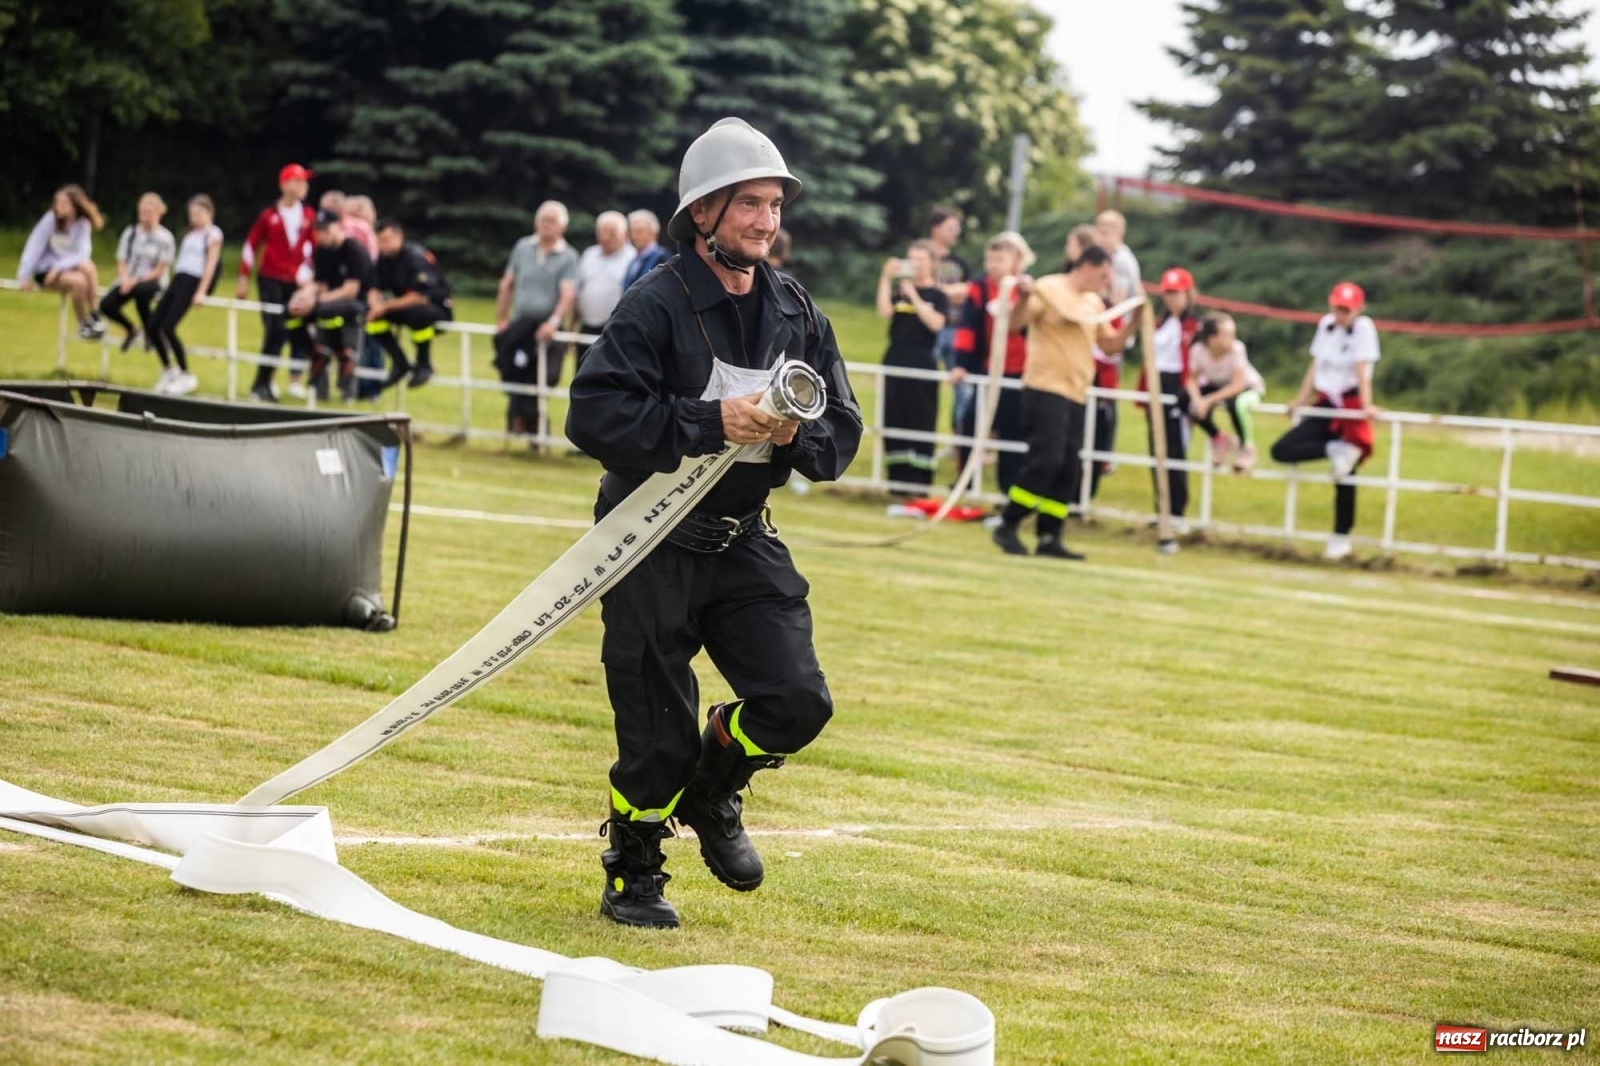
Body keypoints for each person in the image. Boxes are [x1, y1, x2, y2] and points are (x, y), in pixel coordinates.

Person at [566, 116, 862, 929]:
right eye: (748, 206)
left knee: (798, 701)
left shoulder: (797, 312)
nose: (767, 222)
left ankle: (711, 789)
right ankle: (634, 867)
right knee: (656, 731)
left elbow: (842, 437)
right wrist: (709, 423)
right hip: (648, 541)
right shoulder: (655, 303)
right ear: (703, 214)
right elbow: (591, 416)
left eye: (774, 205)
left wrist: (796, 430)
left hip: (743, 544)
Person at [993, 227, 1133, 559]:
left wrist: (1131, 324)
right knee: (1046, 460)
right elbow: (1014, 325)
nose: (1105, 281)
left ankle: (1049, 535)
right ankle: (1008, 523)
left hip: (1077, 393)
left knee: (1070, 468)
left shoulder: (1093, 302)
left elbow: (1109, 344)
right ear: (1086, 267)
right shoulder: (1049, 288)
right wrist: (1025, 297)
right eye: (1103, 274)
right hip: (1045, 389)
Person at [1271, 281, 1381, 560]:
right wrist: (1299, 401)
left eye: (1346, 310)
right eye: (1337, 308)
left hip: (1350, 403)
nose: (1341, 314)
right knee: (1282, 449)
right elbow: (1316, 365)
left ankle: (1341, 537)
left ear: (1357, 309)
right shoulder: (1326, 325)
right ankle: (1334, 449)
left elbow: (1361, 368)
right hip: (1326, 402)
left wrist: (1366, 405)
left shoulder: (1364, 328)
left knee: (1346, 476)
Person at [950, 231, 1034, 497]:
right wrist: (962, 363)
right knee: (972, 422)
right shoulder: (980, 287)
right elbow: (968, 325)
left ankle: (1009, 488)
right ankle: (964, 479)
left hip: (1020, 369)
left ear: (1016, 260)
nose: (993, 265)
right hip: (989, 367)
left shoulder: (1026, 289)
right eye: (990, 259)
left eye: (1000, 259)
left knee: (1013, 431)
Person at [493, 201, 579, 437]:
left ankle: (536, 430)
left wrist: (553, 321)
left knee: (545, 378)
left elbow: (568, 294)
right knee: (513, 371)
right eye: (543, 219)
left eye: (552, 221)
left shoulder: (568, 256)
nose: (546, 225)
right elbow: (507, 283)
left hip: (547, 328)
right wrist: (501, 317)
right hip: (520, 325)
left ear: (563, 226)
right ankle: (520, 427)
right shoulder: (523, 247)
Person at [238, 163, 316, 402]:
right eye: (297, 181)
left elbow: (311, 249)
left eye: (305, 181)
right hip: (270, 278)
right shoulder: (270, 215)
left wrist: (307, 277)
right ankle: (262, 383)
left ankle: (272, 381)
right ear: (284, 184)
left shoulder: (308, 215)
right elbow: (251, 244)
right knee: (274, 330)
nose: (303, 186)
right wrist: (243, 276)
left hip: (295, 281)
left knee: (292, 330)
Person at [875, 240, 949, 492]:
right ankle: (896, 481)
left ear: (931, 264)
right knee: (894, 417)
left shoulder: (938, 295)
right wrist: (886, 280)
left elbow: (936, 324)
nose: (915, 265)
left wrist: (914, 295)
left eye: (921, 260)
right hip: (896, 357)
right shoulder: (899, 292)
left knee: (921, 419)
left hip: (922, 361)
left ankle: (919, 482)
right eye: (911, 259)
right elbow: (884, 312)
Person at [284, 209, 374, 401]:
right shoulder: (322, 250)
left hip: (355, 303)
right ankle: (315, 352)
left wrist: (315, 301)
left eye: (326, 230)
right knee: (289, 312)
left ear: (339, 226)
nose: (321, 235)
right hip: (328, 301)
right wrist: (301, 297)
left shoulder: (354, 250)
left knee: (322, 311)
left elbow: (351, 289)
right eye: (319, 230)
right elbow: (319, 282)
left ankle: (341, 357)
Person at [146, 194, 223, 396]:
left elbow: (210, 265)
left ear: (209, 213)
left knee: (168, 327)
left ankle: (184, 371)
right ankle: (168, 369)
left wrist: (201, 291)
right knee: (153, 325)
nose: (195, 217)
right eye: (192, 214)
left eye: (199, 213)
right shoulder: (190, 234)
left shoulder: (213, 234)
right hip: (178, 279)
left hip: (192, 281)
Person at [367, 218, 453, 390]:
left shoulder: (415, 257)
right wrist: (374, 304)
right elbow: (374, 287)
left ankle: (424, 364)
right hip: (404, 306)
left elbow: (420, 297)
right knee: (370, 318)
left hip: (436, 308)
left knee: (417, 313)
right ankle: (400, 363)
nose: (382, 246)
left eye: (386, 240)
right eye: (379, 241)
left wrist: (384, 306)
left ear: (399, 236)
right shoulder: (384, 259)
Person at [1145, 266, 1201, 530]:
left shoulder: (1195, 326)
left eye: (1176, 293)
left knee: (1175, 451)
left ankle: (1176, 511)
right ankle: (1161, 508)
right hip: (1158, 385)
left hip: (1179, 388)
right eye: (1167, 293)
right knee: (1157, 450)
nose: (1171, 299)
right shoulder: (1160, 323)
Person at [17, 184, 107, 340]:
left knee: (89, 267)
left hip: (62, 269)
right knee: (79, 282)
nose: (59, 207)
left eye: (64, 204)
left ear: (74, 206)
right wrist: (23, 275)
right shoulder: (49, 220)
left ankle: (94, 314)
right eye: (57, 203)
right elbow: (34, 246)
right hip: (46, 270)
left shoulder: (82, 224)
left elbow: (83, 254)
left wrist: (58, 268)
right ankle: (83, 324)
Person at [97, 192, 175, 353]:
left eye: (148, 212)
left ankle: (151, 333)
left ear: (158, 213)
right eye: (142, 212)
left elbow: (159, 269)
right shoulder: (131, 233)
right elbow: (122, 260)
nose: (144, 216)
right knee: (106, 305)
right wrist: (125, 279)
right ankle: (131, 329)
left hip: (151, 281)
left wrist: (136, 281)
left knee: (142, 293)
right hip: (129, 279)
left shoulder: (165, 238)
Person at [1186, 313, 1265, 472]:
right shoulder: (1198, 350)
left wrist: (1207, 400)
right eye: (1227, 335)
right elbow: (1191, 379)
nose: (1232, 338)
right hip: (1219, 385)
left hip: (1246, 388)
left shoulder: (1237, 349)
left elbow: (1238, 385)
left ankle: (1246, 447)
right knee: (1185, 400)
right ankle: (1219, 438)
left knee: (1236, 404)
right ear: (1212, 338)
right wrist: (1197, 400)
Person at [575, 210, 636, 339]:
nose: (605, 237)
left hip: (618, 328)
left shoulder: (633, 258)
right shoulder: (589, 254)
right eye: (601, 232)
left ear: (624, 234)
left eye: (611, 233)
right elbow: (578, 288)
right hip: (587, 325)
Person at [1096, 209, 1142, 308]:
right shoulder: (1115, 256)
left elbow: (1117, 301)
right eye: (1098, 232)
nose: (1099, 238)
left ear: (1119, 233)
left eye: (1104, 233)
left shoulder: (1121, 260)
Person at [622, 209, 669, 289]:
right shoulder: (633, 260)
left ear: (653, 232)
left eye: (639, 231)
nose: (634, 237)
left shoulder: (662, 258)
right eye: (632, 232)